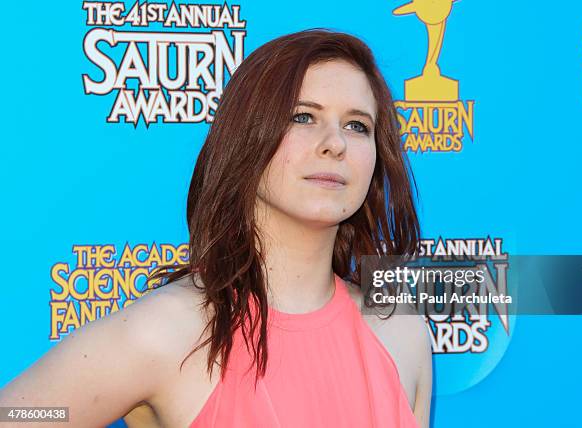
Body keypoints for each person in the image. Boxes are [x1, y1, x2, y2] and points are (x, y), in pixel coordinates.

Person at [0, 28, 432, 427]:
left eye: (358, 126)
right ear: (245, 136)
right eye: (303, 116)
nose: (335, 143)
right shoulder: (170, 331)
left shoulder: (400, 331)